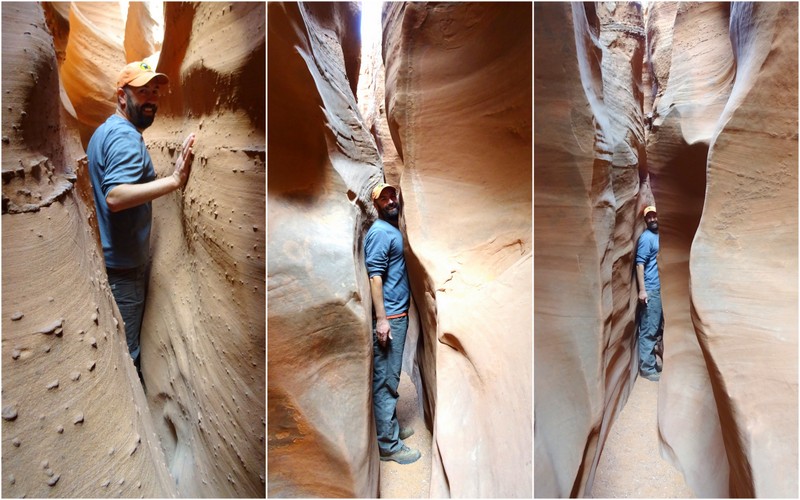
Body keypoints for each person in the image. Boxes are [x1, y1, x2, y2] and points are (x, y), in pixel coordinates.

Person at [87, 60, 196, 384]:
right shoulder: (125, 137)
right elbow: (116, 197)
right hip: (123, 269)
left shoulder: (106, 131)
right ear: (122, 96)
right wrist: (175, 181)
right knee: (127, 351)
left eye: (154, 92)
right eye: (142, 92)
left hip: (111, 262)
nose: (151, 99)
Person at [364, 182, 421, 465]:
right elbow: (375, 276)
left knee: (391, 376)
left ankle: (391, 429)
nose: (389, 201)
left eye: (391, 195)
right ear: (375, 204)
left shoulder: (392, 229)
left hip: (399, 315)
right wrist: (382, 320)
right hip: (392, 319)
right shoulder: (378, 233)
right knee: (386, 381)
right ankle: (388, 445)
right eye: (383, 198)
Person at [636, 205, 663, 382]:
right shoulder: (646, 238)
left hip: (661, 289)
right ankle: (647, 368)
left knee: (657, 327)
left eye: (654, 216)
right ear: (645, 220)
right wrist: (642, 290)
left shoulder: (660, 235)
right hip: (651, 289)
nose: (652, 219)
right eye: (649, 217)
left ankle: (652, 362)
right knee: (649, 328)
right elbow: (640, 264)